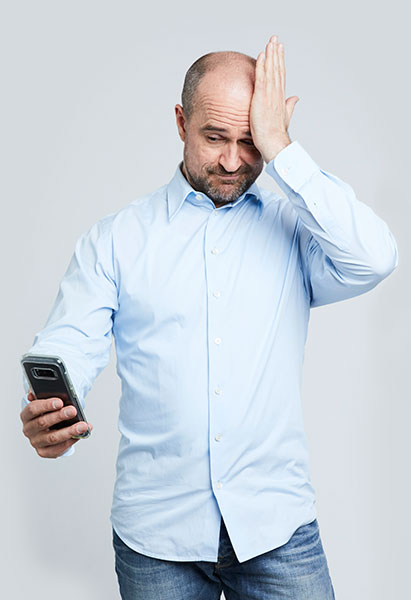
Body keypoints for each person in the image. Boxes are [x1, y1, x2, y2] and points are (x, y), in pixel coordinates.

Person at [20, 34, 398, 599]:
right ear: (180, 122)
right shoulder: (117, 240)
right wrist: (48, 410)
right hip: (157, 540)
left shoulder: (297, 230)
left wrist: (284, 150)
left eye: (250, 142)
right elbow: (69, 341)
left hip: (276, 528)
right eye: (215, 136)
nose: (231, 160)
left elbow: (375, 257)